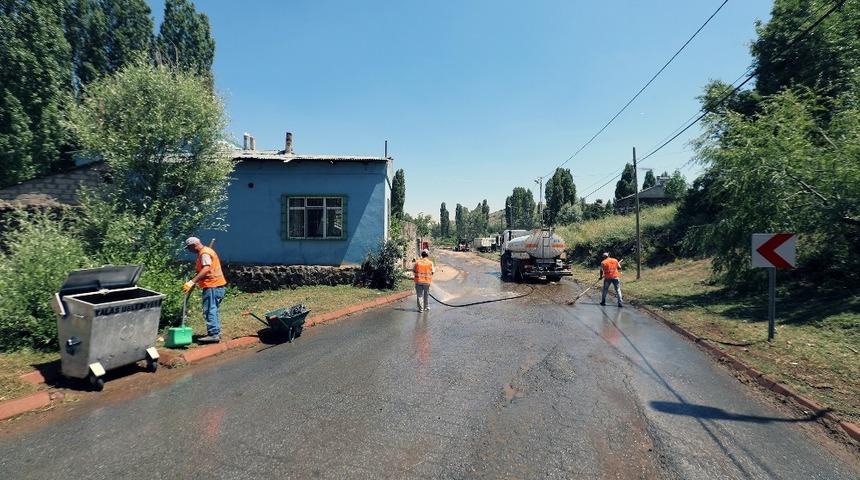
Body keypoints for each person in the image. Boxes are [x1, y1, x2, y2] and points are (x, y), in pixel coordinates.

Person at [183, 237, 228, 343]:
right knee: (213, 309)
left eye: (189, 248)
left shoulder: (204, 253)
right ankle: (216, 332)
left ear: (194, 245)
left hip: (212, 285)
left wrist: (191, 282)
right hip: (217, 285)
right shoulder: (205, 252)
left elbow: (206, 269)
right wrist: (195, 280)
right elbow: (204, 270)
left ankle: (213, 334)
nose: (189, 250)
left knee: (210, 310)